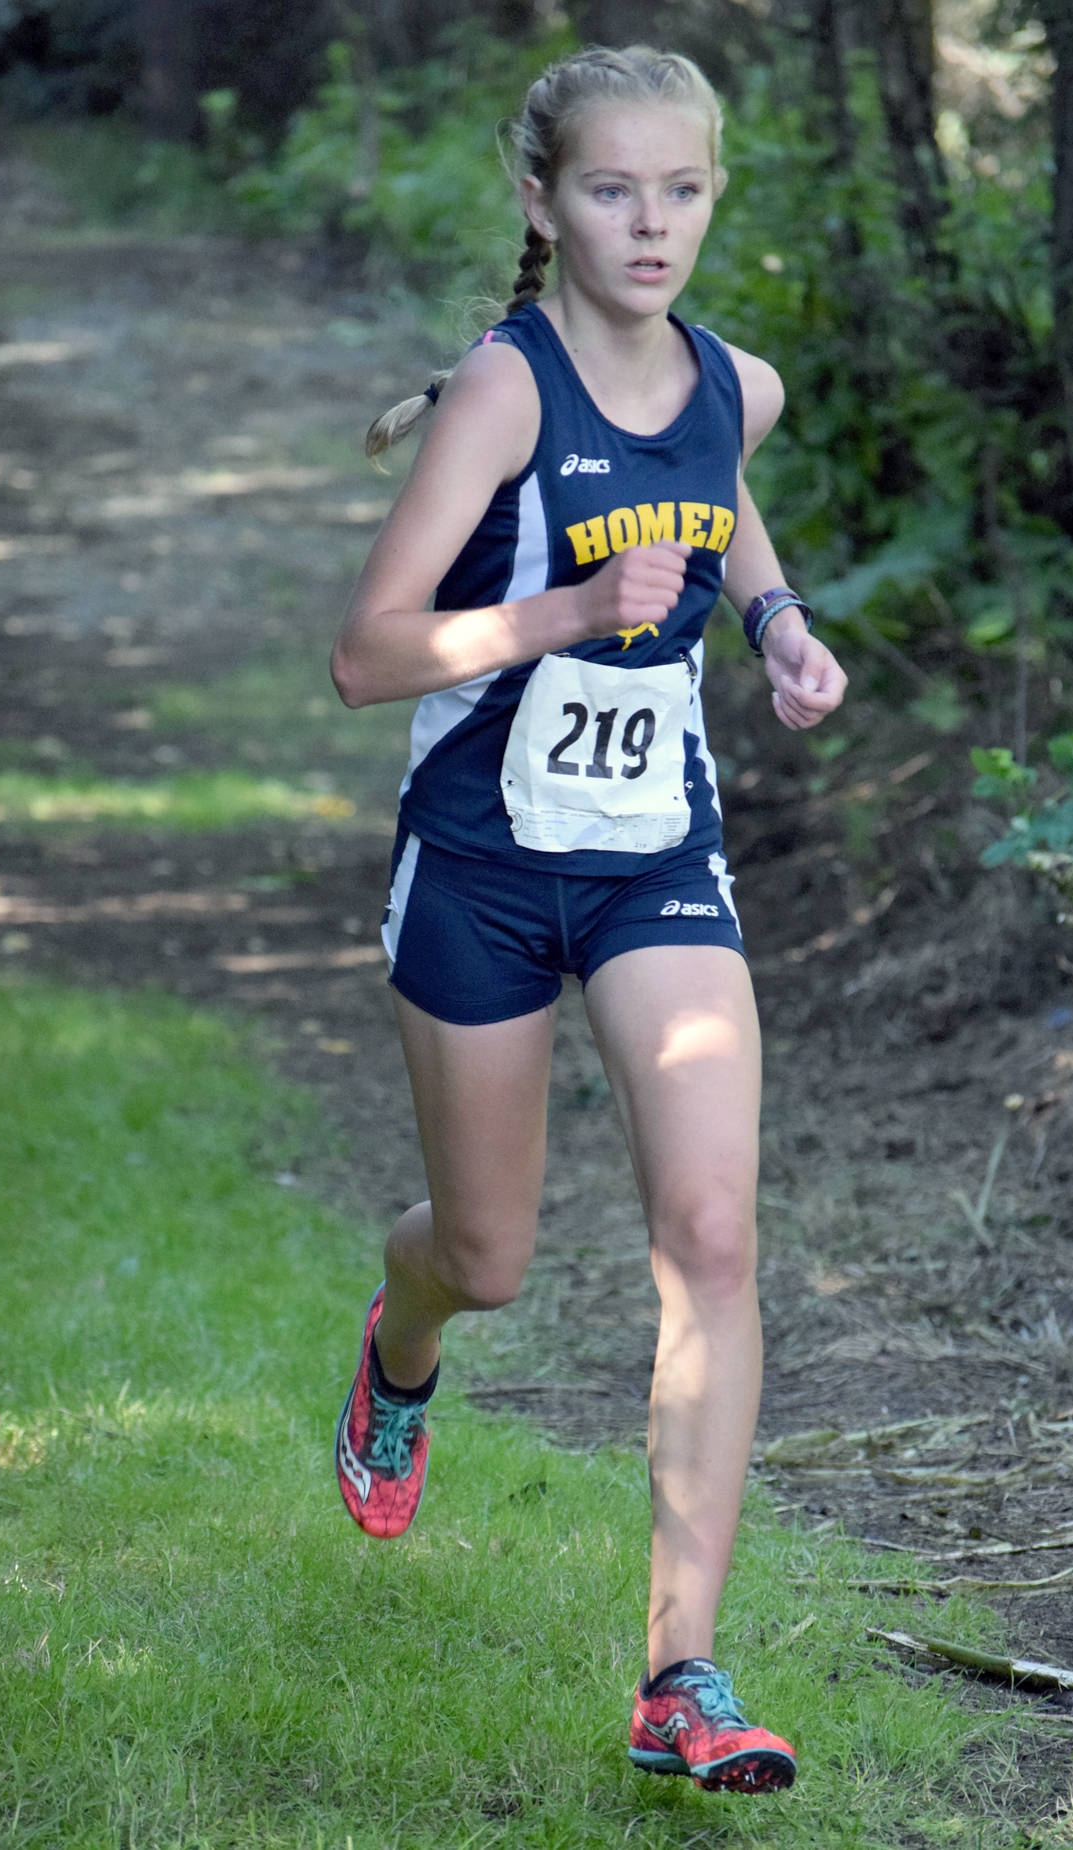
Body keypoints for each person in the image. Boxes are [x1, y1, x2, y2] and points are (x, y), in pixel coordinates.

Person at [329, 43, 847, 1796]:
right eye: (613, 189)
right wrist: (553, 610)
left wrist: (775, 622)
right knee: (487, 1255)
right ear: (542, 202)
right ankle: (398, 1350)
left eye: (682, 189)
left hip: (653, 860)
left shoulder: (737, 383)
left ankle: (680, 1674)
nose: (652, 223)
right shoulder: (502, 390)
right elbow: (366, 651)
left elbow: (723, 491)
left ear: (713, 193)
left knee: (709, 1230)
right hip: (478, 859)